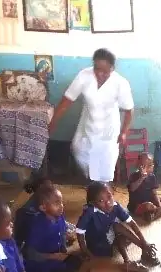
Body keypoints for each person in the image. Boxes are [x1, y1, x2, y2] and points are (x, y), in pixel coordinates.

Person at [48, 48, 134, 183]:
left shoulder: (120, 83)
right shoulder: (84, 76)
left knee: (105, 168)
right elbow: (67, 101)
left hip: (108, 131)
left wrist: (124, 132)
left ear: (112, 68)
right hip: (87, 127)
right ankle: (91, 184)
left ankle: (102, 189)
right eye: (96, 69)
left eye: (105, 71)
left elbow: (129, 110)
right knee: (80, 153)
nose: (99, 74)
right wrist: (53, 122)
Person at [76, 181, 160, 272]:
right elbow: (79, 232)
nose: (108, 203)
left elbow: (132, 223)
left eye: (109, 196)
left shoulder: (115, 206)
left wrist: (144, 241)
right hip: (98, 245)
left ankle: (141, 250)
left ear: (113, 193)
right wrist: (85, 251)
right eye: (101, 201)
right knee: (117, 226)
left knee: (120, 230)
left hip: (108, 236)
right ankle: (131, 260)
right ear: (93, 203)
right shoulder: (89, 212)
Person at [22, 185, 84, 272]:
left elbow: (63, 232)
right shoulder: (38, 227)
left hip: (56, 254)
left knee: (78, 260)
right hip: (39, 260)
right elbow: (30, 253)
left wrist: (64, 248)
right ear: (43, 208)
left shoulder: (60, 217)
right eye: (56, 203)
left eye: (61, 202)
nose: (61, 206)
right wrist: (53, 256)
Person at [13, 177, 76, 250]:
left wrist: (63, 234)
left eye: (52, 186)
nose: (52, 188)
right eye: (49, 187)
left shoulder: (55, 212)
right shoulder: (30, 215)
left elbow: (60, 226)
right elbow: (29, 248)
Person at [127, 152, 161, 221]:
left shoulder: (152, 176)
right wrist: (142, 178)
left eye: (150, 165)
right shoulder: (133, 176)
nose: (148, 167)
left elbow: (154, 193)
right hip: (137, 206)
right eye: (144, 166)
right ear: (138, 166)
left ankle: (156, 211)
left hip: (151, 201)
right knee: (148, 206)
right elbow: (132, 188)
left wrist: (159, 205)